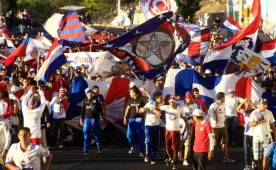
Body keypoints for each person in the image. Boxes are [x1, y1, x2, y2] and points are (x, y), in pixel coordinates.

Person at [207, 92, 234, 163]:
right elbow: (210, 115)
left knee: (225, 142)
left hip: (222, 127)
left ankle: (226, 158)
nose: (224, 99)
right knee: (213, 143)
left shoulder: (224, 105)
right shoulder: (213, 105)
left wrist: (225, 124)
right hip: (215, 128)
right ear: (221, 98)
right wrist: (214, 123)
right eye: (224, 97)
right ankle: (208, 157)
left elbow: (224, 115)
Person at [249, 99, 276, 169]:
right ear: (259, 105)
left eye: (266, 104)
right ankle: (255, 165)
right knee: (257, 158)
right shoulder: (254, 113)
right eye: (264, 104)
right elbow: (250, 124)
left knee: (266, 157)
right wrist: (258, 122)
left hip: (267, 138)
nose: (265, 106)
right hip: (257, 139)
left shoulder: (269, 112)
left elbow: (272, 125)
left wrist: (275, 137)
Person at [160, 95, 183, 170]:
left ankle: (174, 163)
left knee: (175, 148)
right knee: (167, 147)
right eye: (170, 101)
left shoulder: (180, 109)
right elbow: (156, 106)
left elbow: (184, 117)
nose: (171, 102)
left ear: (176, 101)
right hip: (168, 130)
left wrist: (187, 128)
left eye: (173, 101)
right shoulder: (166, 107)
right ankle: (170, 157)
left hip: (176, 131)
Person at [124, 86, 147, 157]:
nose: (129, 93)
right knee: (129, 135)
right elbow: (128, 108)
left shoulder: (142, 98)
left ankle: (141, 151)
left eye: (130, 92)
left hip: (139, 120)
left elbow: (151, 100)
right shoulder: (130, 99)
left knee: (140, 136)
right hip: (131, 120)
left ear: (134, 92)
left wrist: (144, 91)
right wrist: (125, 117)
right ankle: (132, 146)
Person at [140, 92, 162, 165]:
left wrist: (153, 109)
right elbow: (143, 110)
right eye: (160, 98)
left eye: (161, 97)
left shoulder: (161, 104)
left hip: (156, 125)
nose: (161, 99)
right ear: (156, 99)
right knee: (148, 141)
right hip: (148, 125)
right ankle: (147, 154)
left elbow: (159, 113)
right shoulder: (150, 103)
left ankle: (153, 157)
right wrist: (142, 109)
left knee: (155, 142)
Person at [80, 87, 104, 155]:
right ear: (86, 94)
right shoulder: (84, 100)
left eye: (90, 92)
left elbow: (100, 109)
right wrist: (81, 119)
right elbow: (82, 111)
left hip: (94, 119)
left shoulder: (96, 99)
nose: (89, 94)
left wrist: (101, 116)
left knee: (97, 133)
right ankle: (85, 148)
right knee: (86, 133)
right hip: (87, 119)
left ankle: (99, 145)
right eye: (88, 93)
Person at [237, 99, 256, 170]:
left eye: (249, 105)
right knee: (247, 150)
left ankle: (253, 163)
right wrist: (242, 102)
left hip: (254, 134)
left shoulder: (255, 111)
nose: (247, 106)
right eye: (246, 105)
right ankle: (247, 165)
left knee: (254, 150)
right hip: (246, 133)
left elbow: (257, 108)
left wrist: (251, 103)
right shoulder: (244, 111)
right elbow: (237, 109)